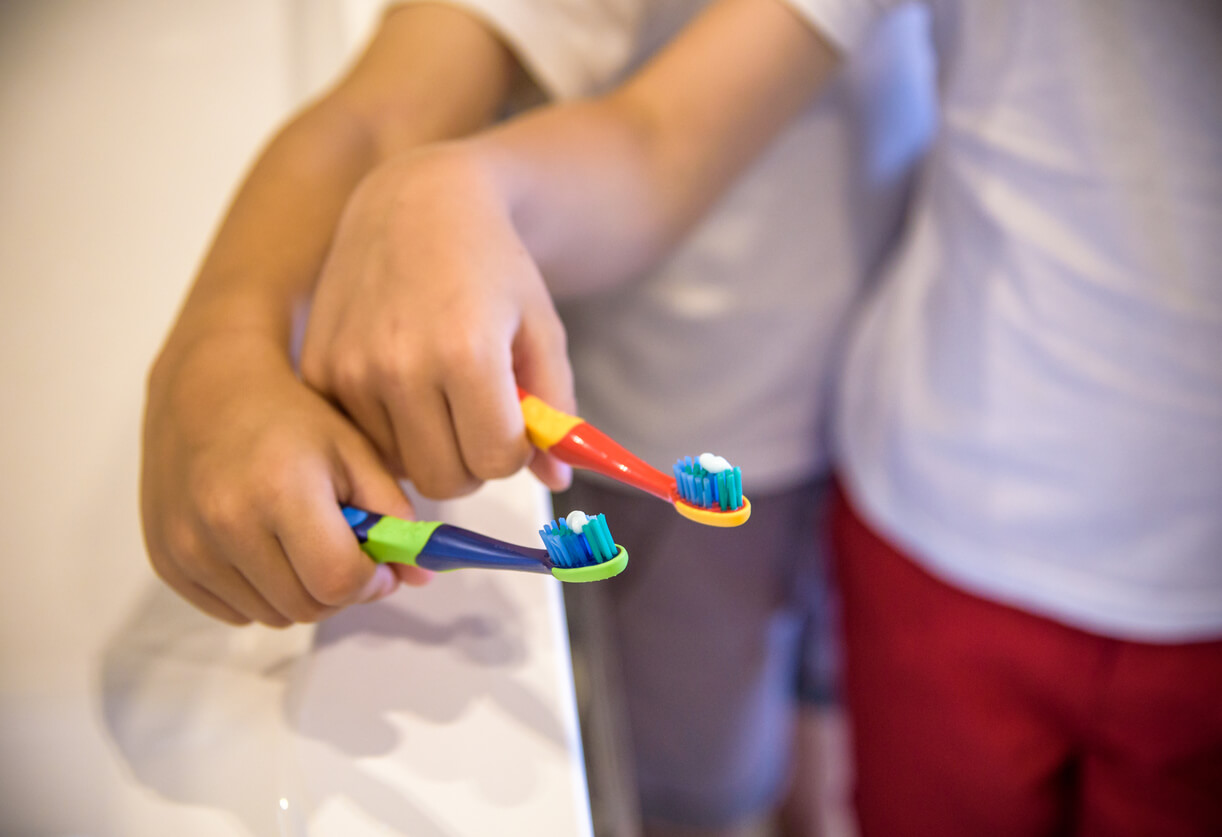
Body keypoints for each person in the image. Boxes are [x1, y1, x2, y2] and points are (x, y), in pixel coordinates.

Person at [293, 0, 1222, 835]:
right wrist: (453, 193)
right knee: (716, 758)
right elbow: (647, 139)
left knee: (790, 721)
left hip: (858, 425)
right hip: (850, 489)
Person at [141, 2, 931, 835]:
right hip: (687, 423)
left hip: (893, 421)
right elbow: (390, 113)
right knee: (706, 771)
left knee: (824, 705)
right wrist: (219, 347)